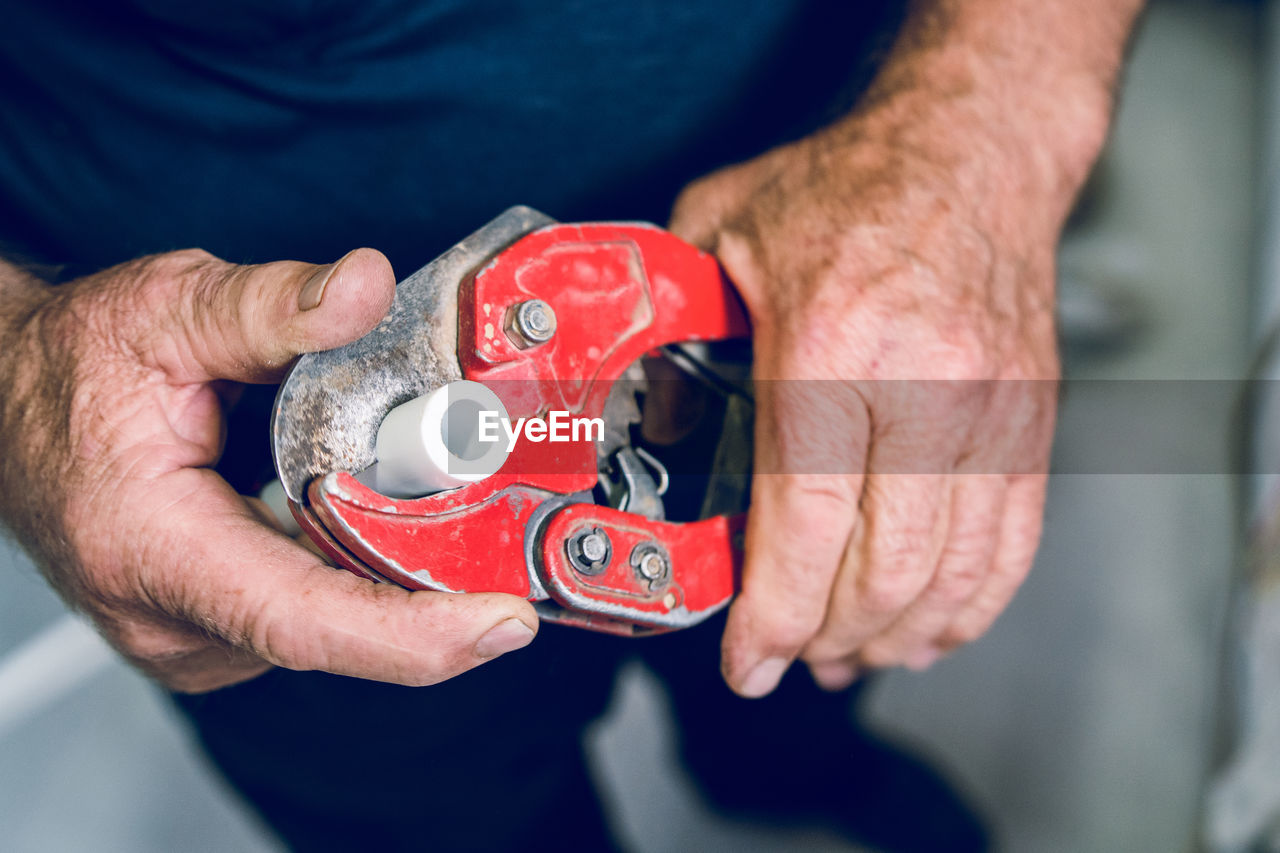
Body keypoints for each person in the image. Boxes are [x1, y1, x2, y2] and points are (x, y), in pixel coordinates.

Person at [0, 0, 1144, 849]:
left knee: (793, 652)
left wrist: (984, 121)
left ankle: (786, 773)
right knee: (439, 813)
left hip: (815, 219)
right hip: (231, 446)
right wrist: (14, 365)